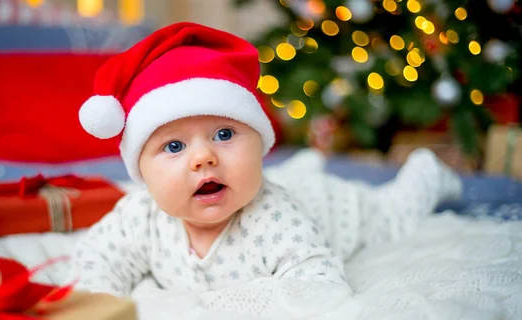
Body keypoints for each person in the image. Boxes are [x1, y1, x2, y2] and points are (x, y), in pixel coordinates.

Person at [71, 22, 462, 302]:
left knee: (396, 212)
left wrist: (226, 307)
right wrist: (102, 306)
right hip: (292, 185)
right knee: (293, 176)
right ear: (141, 174)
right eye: (173, 147)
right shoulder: (140, 216)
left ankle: (425, 172)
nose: (203, 156)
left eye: (224, 134)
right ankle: (305, 166)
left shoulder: (272, 219)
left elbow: (322, 287)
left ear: (259, 144)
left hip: (340, 208)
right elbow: (98, 260)